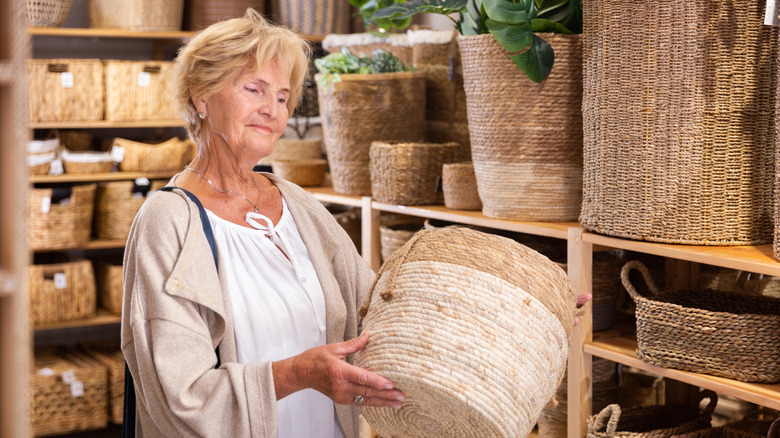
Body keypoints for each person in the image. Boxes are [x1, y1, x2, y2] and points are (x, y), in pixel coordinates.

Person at [121, 8, 592, 438]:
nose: (273, 110)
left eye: (284, 97)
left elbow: (380, 309)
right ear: (201, 96)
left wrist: (517, 310)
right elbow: (176, 394)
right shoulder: (168, 223)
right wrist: (298, 373)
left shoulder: (294, 204)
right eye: (254, 90)